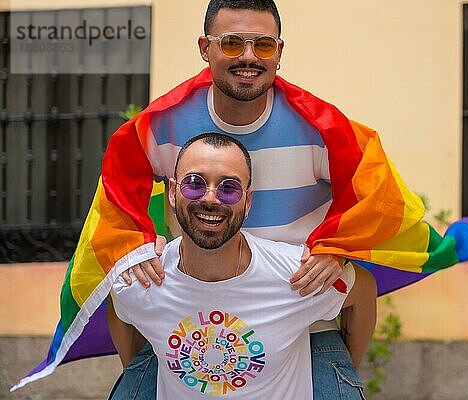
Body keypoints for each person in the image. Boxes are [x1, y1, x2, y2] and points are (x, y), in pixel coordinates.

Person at [108, 0, 376, 398]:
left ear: (279, 52)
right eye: (232, 43)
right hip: (191, 315)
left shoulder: (320, 129)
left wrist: (335, 250)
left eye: (263, 45)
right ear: (205, 48)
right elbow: (118, 201)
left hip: (303, 316)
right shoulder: (158, 127)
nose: (248, 57)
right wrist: (135, 246)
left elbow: (369, 204)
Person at [110, 132, 375, 399]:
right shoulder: (145, 278)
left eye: (228, 188)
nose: (211, 199)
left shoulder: (294, 275)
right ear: (172, 192)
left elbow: (363, 290)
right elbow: (119, 300)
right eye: (194, 184)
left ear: (247, 201)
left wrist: (347, 372)